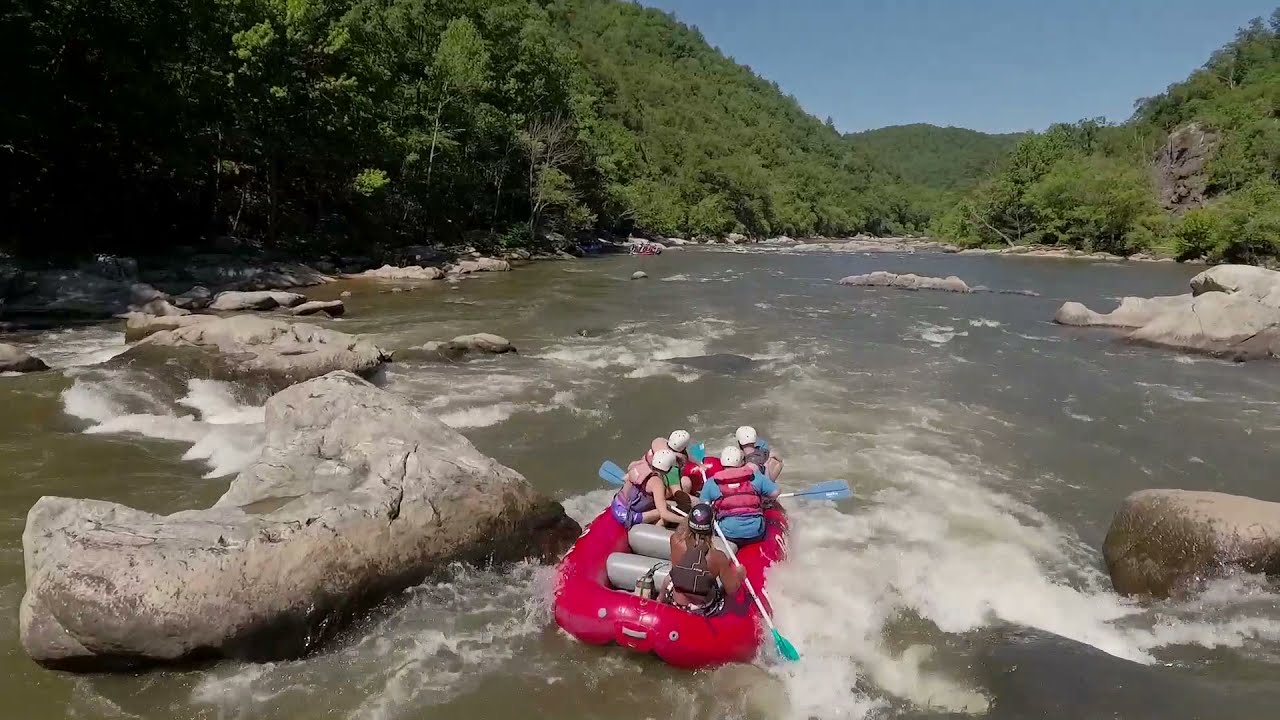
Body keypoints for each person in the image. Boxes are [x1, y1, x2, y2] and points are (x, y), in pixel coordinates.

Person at [660, 503, 745, 615]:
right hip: (701, 608)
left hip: (676, 601)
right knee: (720, 588)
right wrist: (739, 576)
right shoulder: (718, 557)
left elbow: (682, 531)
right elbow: (731, 590)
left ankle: (660, 601)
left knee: (668, 579)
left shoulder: (675, 541)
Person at [700, 446, 780, 545]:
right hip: (755, 532)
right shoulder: (754, 477)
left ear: (721, 462)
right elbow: (775, 493)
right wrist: (762, 499)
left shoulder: (712, 482)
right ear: (742, 462)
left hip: (727, 534)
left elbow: (704, 507)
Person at [611, 448, 686, 528]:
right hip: (627, 516)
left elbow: (626, 478)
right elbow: (664, 515)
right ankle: (655, 531)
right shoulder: (657, 482)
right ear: (669, 469)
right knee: (665, 512)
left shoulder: (638, 466)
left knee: (661, 506)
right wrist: (684, 520)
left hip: (616, 505)